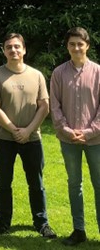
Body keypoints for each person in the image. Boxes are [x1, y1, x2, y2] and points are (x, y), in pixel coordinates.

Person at [0, 33, 57, 238]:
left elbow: (44, 106)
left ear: (24, 49)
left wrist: (28, 130)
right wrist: (14, 129)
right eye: (9, 47)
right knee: (4, 182)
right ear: (4, 51)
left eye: (17, 47)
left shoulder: (36, 75)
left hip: (32, 138)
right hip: (4, 139)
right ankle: (3, 222)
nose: (13, 50)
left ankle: (41, 223)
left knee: (36, 182)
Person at [50, 27, 100, 246]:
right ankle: (79, 230)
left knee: (99, 184)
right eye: (72, 44)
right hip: (68, 140)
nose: (76, 48)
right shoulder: (58, 73)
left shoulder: (99, 72)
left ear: (87, 45)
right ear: (67, 46)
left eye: (80, 44)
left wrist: (89, 132)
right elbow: (55, 105)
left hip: (96, 140)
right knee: (74, 184)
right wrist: (68, 131)